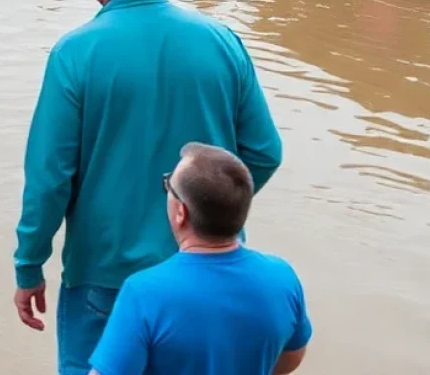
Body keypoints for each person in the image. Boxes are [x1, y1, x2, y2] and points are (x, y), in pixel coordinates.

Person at [13, 0, 283, 375]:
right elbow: (264, 152)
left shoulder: (76, 53)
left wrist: (29, 265)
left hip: (105, 270)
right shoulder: (221, 42)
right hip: (210, 268)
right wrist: (211, 213)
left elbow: (49, 179)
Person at [90, 144, 310, 375]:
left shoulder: (144, 293)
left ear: (181, 212)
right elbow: (292, 356)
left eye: (168, 186)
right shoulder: (282, 279)